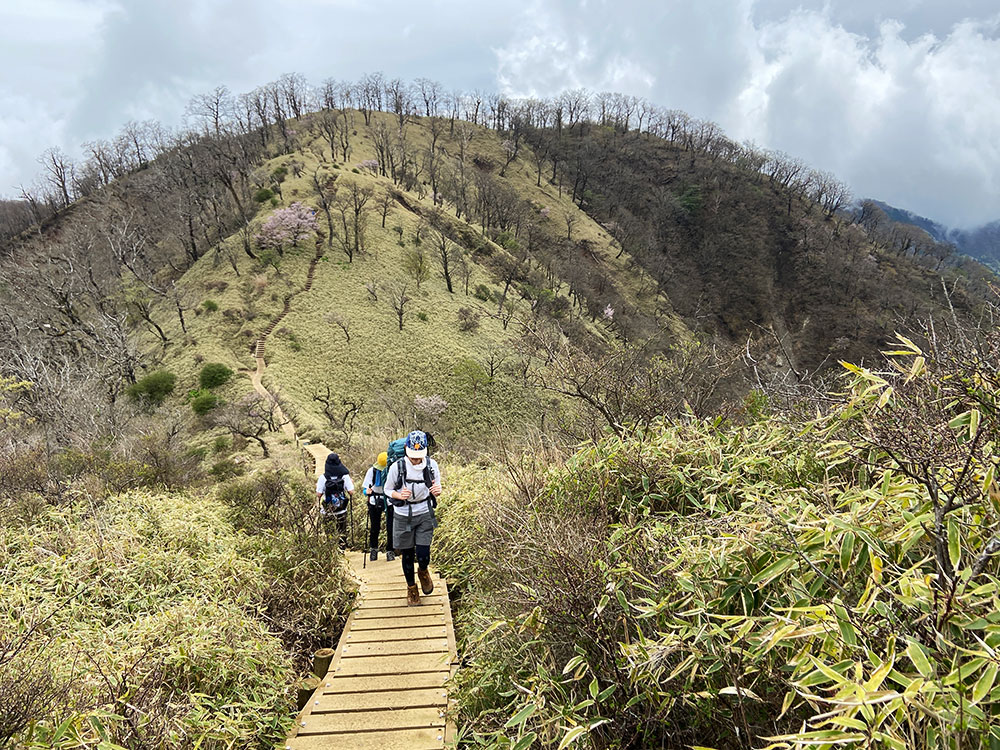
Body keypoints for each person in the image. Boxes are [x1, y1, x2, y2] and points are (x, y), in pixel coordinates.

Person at [384, 430, 442, 605]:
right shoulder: (397, 467)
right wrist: (399, 495)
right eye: (413, 456)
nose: (416, 460)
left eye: (419, 457)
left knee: (424, 553)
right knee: (407, 555)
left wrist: (438, 490)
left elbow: (436, 484)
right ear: (406, 450)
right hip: (403, 516)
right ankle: (411, 588)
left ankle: (423, 571)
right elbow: (388, 490)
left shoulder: (432, 465)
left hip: (424, 512)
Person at [315, 452, 354, 548]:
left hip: (327, 511)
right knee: (342, 531)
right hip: (341, 509)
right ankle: (342, 548)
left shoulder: (323, 478)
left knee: (329, 532)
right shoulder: (345, 476)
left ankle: (332, 549)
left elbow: (319, 494)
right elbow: (351, 492)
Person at [362, 451, 395, 562]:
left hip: (389, 501)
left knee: (390, 528)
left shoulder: (392, 471)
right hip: (374, 501)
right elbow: (364, 489)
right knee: (375, 527)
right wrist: (367, 491)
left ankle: (390, 551)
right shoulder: (372, 471)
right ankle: (373, 550)